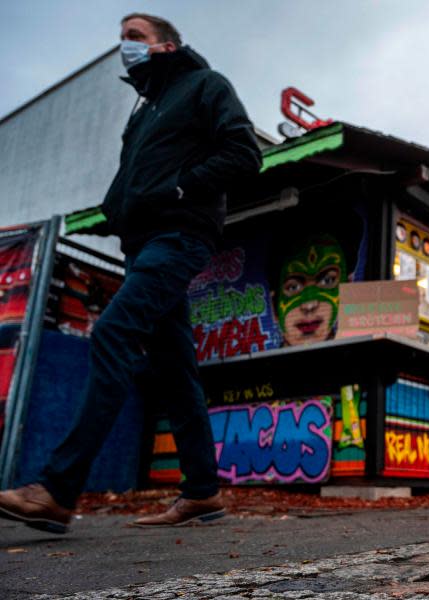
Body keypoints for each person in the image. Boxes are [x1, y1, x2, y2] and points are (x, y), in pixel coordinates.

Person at [0, 13, 261, 533]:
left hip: (181, 235)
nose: (126, 46)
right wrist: (112, 215)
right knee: (173, 365)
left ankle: (57, 489)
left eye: (135, 36)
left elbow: (243, 152)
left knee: (114, 334)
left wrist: (181, 190)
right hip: (139, 246)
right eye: (122, 38)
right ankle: (203, 493)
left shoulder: (204, 85)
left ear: (166, 45)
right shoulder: (142, 115)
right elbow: (129, 186)